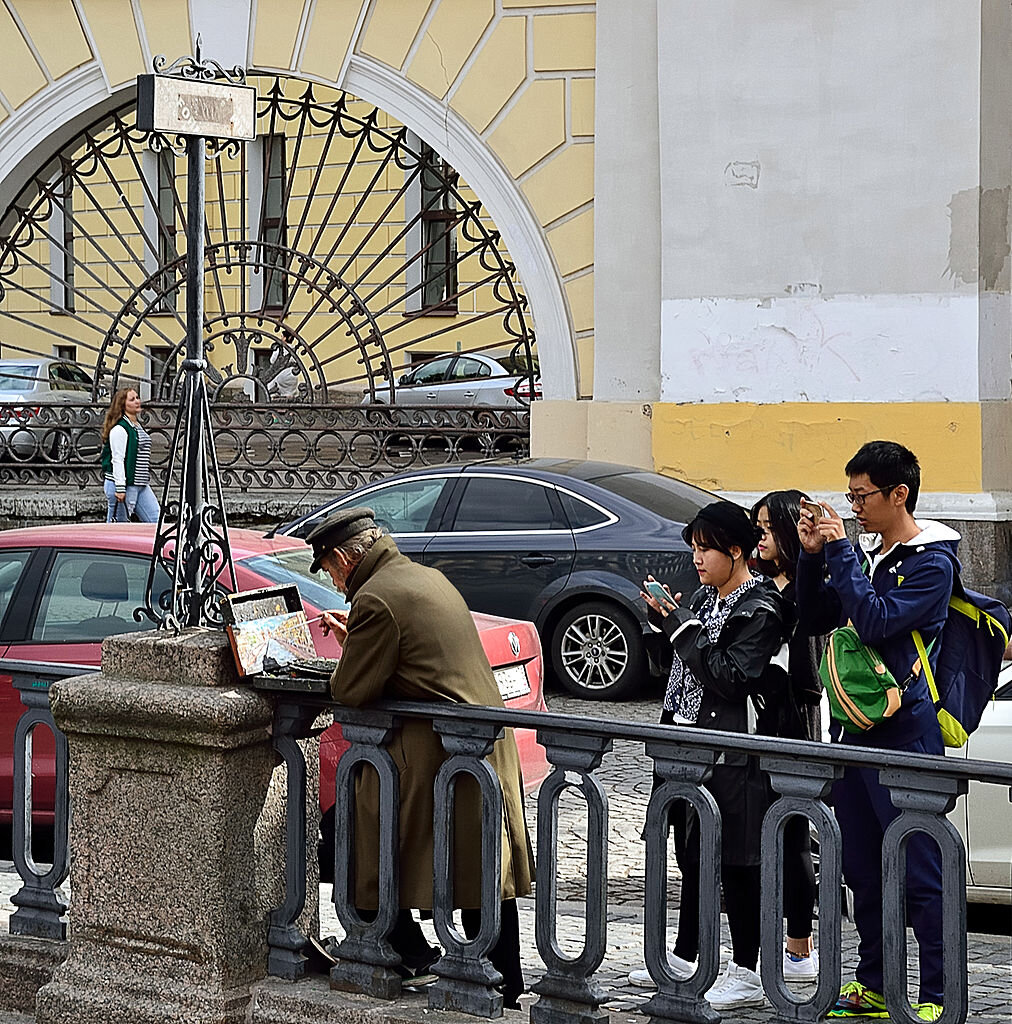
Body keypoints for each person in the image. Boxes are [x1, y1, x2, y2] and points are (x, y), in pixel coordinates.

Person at [305, 508, 535, 1007]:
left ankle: (402, 952)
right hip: (477, 749)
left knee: (351, 834)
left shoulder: (377, 598)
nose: (335, 582)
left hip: (445, 756)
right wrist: (361, 643)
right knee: (482, 871)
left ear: (344, 558)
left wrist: (347, 653)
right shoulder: (419, 576)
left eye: (330, 569)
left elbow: (351, 689)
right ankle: (504, 983)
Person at [796, 441, 953, 1022]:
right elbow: (812, 620)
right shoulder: (862, 554)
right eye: (850, 495)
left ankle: (939, 992)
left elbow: (875, 620)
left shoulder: (932, 563)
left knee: (919, 873)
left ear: (898, 494)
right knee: (862, 869)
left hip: (906, 738)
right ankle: (876, 984)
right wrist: (815, 556)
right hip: (853, 735)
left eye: (862, 496)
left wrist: (841, 553)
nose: (855, 507)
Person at [626, 500, 794, 1011]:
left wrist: (681, 628)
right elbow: (676, 664)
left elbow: (729, 677)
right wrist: (663, 625)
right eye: (694, 548)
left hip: (730, 753)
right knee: (689, 853)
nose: (697, 559)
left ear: (736, 551)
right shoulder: (704, 599)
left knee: (738, 861)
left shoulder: (760, 608)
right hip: (682, 742)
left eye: (707, 549)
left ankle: (747, 968)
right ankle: (687, 950)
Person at [751, 489, 825, 983]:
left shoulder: (804, 586)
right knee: (755, 835)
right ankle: (760, 943)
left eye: (765, 527)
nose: (758, 536)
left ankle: (800, 945)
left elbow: (807, 666)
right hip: (756, 719)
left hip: (794, 719)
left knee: (794, 833)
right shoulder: (758, 583)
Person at [100, 387, 160, 523]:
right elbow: (118, 459)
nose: (137, 401)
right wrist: (120, 488)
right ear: (123, 405)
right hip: (124, 484)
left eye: (137, 398)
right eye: (132, 399)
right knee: (119, 526)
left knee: (156, 519)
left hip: (140, 483)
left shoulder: (135, 425)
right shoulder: (120, 429)